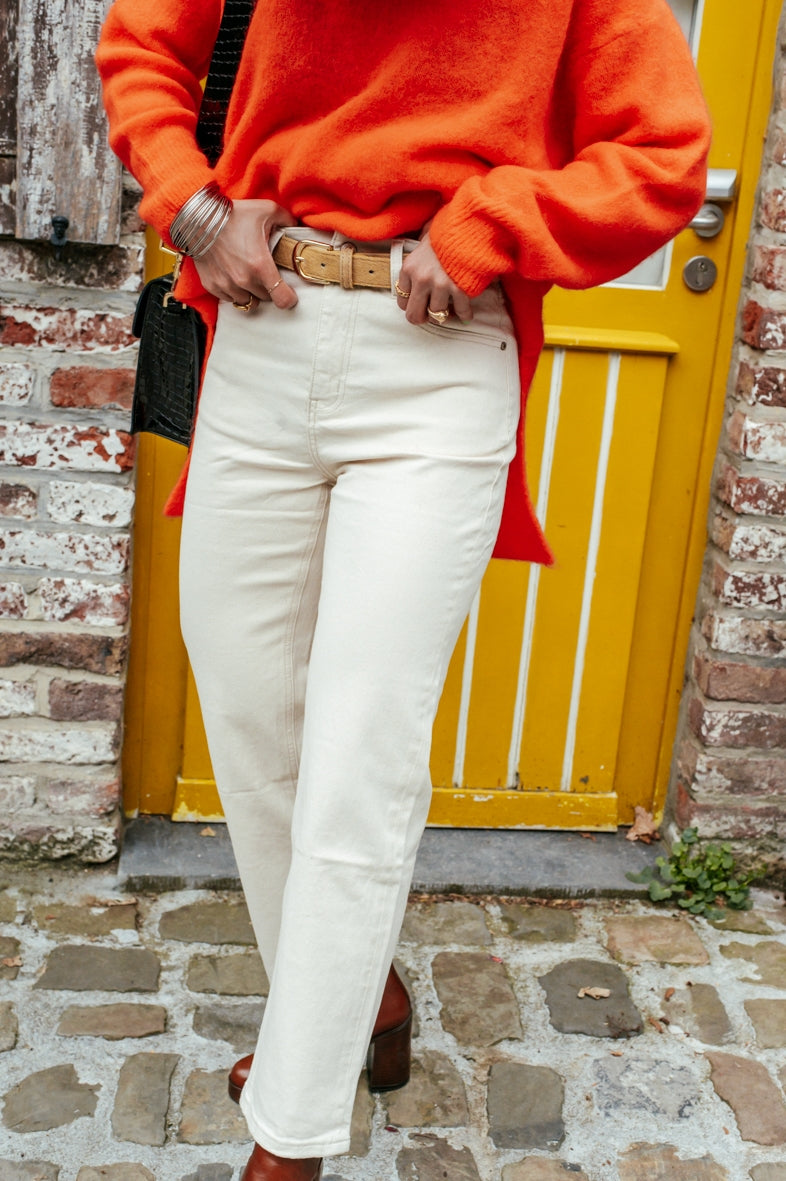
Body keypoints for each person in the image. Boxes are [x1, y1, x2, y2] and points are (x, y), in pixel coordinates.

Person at [96, 2, 711, 1177]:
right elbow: (142, 44)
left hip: (435, 352)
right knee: (249, 714)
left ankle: (291, 1135)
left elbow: (662, 153)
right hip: (264, 329)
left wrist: (495, 217)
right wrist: (195, 206)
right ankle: (358, 1000)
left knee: (362, 745)